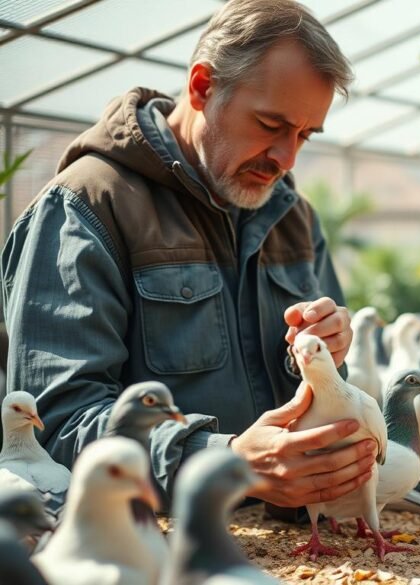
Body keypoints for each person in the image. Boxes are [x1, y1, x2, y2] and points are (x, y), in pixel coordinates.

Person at [0, 0, 371, 510]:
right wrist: (226, 461)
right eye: (270, 124)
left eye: (305, 135)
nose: (287, 159)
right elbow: (55, 427)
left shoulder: (293, 215)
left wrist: (327, 357)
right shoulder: (85, 209)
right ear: (202, 87)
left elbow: (323, 397)